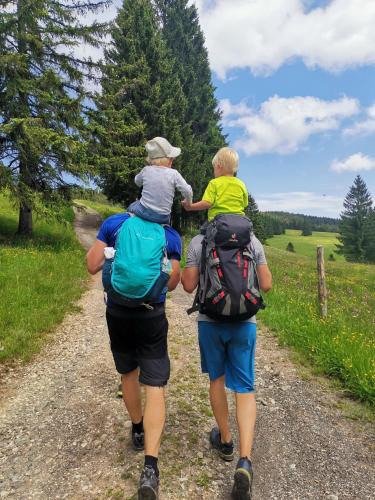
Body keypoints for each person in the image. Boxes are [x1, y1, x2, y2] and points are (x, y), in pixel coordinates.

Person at [86, 211, 182, 500]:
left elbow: (92, 265)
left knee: (128, 373)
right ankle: (150, 467)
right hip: (152, 314)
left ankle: (138, 429)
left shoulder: (116, 223)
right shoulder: (170, 234)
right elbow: (173, 283)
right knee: (154, 384)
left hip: (117, 312)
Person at [181, 230, 272, 500]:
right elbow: (266, 284)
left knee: (216, 380)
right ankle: (245, 461)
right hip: (245, 324)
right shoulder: (252, 240)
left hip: (210, 323)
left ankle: (225, 441)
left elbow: (187, 286)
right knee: (245, 388)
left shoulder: (200, 241)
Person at [128, 136, 193, 224]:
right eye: (172, 158)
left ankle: (129, 222)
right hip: (163, 217)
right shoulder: (174, 174)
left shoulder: (146, 170)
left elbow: (137, 181)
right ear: (169, 160)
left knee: (132, 206)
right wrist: (188, 202)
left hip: (143, 212)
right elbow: (187, 191)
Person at [182, 147, 248, 221]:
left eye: (214, 168)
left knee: (203, 231)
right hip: (239, 223)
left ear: (218, 166)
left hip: (218, 224)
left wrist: (191, 206)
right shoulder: (241, 184)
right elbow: (245, 204)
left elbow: (207, 203)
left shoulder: (214, 183)